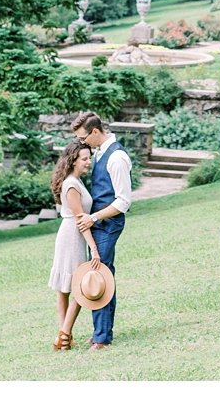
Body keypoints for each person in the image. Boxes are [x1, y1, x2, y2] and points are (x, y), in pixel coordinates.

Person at [72, 112, 132, 350]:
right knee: (104, 274)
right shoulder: (99, 153)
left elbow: (123, 202)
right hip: (97, 224)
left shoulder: (116, 158)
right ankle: (102, 331)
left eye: (84, 137)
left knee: (98, 276)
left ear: (95, 132)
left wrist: (93, 217)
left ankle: (101, 338)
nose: (82, 143)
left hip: (107, 225)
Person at [48, 139, 101, 351]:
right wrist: (94, 249)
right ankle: (64, 333)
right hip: (72, 236)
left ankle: (64, 338)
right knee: (77, 287)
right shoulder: (71, 184)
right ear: (73, 160)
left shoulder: (75, 181)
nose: (88, 162)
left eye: (89, 158)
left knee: (69, 288)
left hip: (72, 233)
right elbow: (80, 219)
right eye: (84, 159)